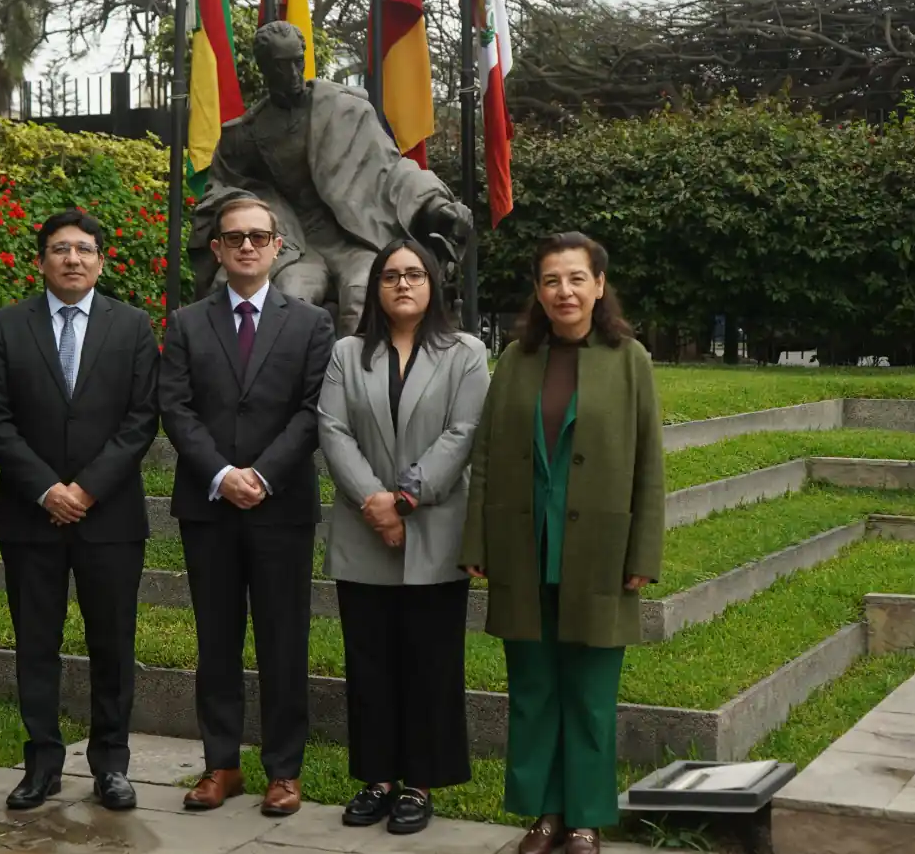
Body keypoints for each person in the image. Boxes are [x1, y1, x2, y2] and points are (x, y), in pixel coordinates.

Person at [461, 232, 665, 854]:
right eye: (551, 280)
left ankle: (586, 817)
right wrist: (479, 539)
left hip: (601, 554)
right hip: (524, 550)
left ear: (599, 285)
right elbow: (489, 453)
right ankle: (544, 814)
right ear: (538, 291)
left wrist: (642, 555)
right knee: (532, 692)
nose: (564, 291)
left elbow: (647, 464)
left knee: (591, 695)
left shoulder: (630, 359)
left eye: (576, 278)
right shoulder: (519, 360)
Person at [158, 196, 335, 816]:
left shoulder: (311, 323)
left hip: (281, 506)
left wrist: (260, 473)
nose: (248, 247)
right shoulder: (185, 323)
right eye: (235, 239)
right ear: (218, 250)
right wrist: (222, 473)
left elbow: (313, 412)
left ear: (278, 245)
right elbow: (175, 408)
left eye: (259, 237)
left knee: (284, 640)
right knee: (216, 640)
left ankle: (284, 771)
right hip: (209, 507)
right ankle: (221, 764)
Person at [0, 211, 160, 812]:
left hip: (109, 517)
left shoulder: (132, 326)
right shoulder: (6, 326)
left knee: (112, 643)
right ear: (41, 261)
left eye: (85, 249)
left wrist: (85, 489)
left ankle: (111, 764)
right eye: (60, 249)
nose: (73, 259)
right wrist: (46, 489)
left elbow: (142, 419)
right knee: (36, 644)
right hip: (31, 517)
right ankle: (42, 764)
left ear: (101, 261)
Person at [315, 238, 489, 835]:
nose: (404, 284)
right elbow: (333, 430)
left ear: (433, 284)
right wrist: (375, 503)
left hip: (435, 530)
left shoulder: (466, 352)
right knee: (369, 662)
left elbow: (464, 432)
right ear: (377, 288)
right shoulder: (346, 353)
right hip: (365, 531)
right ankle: (378, 778)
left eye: (415, 274)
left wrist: (407, 497)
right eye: (391, 276)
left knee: (431, 661)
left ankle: (419, 780)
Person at [188, 20, 472, 337]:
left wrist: (434, 205)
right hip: (295, 244)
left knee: (365, 290)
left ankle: (356, 381)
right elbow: (221, 189)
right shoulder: (246, 134)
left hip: (354, 236)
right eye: (282, 67)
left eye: (298, 61)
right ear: (265, 69)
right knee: (292, 296)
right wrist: (257, 212)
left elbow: (392, 169)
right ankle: (291, 384)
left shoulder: (345, 109)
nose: (294, 74)